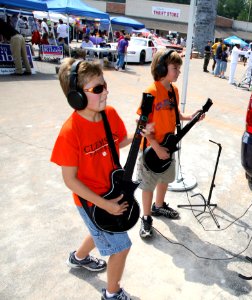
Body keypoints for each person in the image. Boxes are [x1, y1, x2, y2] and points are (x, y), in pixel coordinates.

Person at [51, 58, 154, 299]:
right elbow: (70, 180)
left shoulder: (109, 114)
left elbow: (118, 141)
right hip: (90, 201)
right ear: (76, 97)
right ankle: (112, 293)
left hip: (112, 190)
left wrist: (138, 136)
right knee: (121, 246)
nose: (106, 91)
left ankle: (78, 257)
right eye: (98, 89)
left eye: (105, 85)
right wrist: (105, 204)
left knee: (100, 230)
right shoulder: (70, 132)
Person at [137, 49, 206, 238]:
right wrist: (156, 147)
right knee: (148, 185)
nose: (178, 72)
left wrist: (191, 116)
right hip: (152, 149)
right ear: (161, 68)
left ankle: (158, 206)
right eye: (175, 68)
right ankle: (146, 217)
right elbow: (142, 124)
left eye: (178, 68)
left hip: (168, 146)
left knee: (166, 178)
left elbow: (177, 115)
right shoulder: (150, 92)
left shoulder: (173, 91)